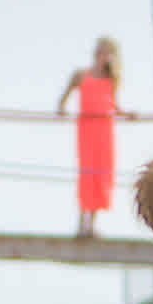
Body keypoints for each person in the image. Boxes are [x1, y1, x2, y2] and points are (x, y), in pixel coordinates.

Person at [56, 36, 124, 238]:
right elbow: (63, 98)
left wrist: (127, 114)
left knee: (101, 174)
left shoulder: (111, 79)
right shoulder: (80, 75)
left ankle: (91, 225)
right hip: (87, 129)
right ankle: (81, 223)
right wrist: (61, 109)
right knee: (87, 173)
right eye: (102, 51)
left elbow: (113, 104)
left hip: (104, 130)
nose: (104, 56)